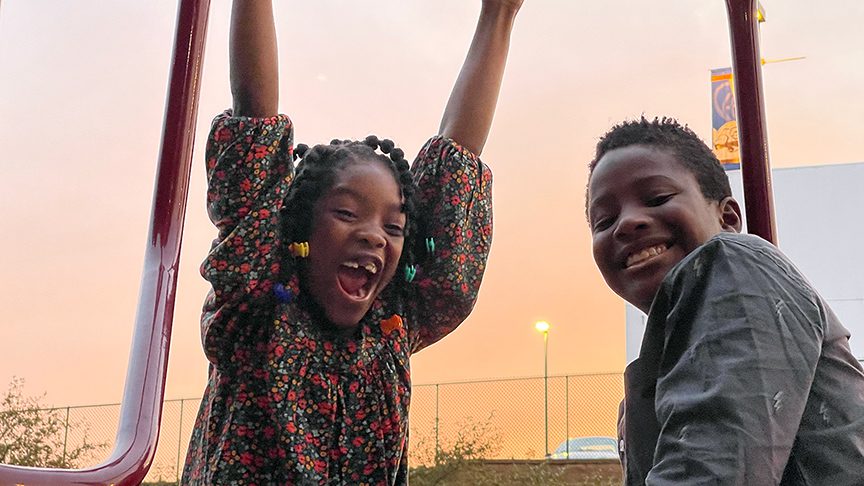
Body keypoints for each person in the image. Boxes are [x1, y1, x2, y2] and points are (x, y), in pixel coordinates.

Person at [181, 1, 523, 484]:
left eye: (394, 227)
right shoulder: (257, 307)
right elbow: (254, 114)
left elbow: (458, 157)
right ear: (297, 230)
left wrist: (499, 16)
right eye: (346, 213)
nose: (373, 236)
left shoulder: (393, 323)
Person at [586, 117, 864, 485]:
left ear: (728, 217)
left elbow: (711, 470)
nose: (627, 223)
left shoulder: (735, 264)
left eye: (657, 198)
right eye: (604, 221)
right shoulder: (659, 377)